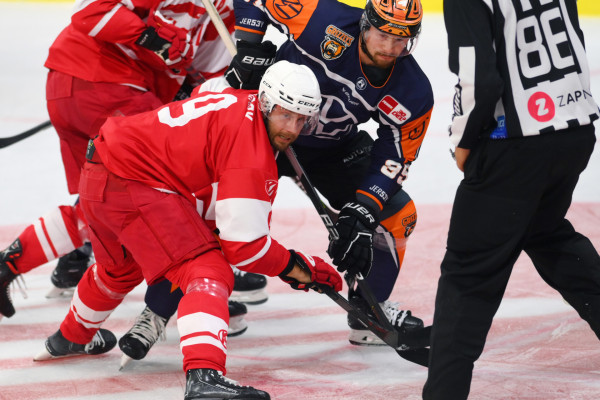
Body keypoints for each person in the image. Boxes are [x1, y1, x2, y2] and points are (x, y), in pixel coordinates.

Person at [33, 60, 342, 400]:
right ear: (267, 103)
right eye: (286, 115)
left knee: (118, 270)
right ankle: (204, 375)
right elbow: (245, 248)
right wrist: (299, 266)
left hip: (98, 174)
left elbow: (204, 91)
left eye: (302, 119)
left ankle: (70, 337)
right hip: (131, 183)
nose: (292, 129)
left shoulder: (237, 97)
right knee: (207, 270)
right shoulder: (251, 154)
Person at [0, 0, 264, 324]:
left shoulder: (222, 11)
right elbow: (91, 10)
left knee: (102, 201)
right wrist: (149, 37)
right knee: (171, 191)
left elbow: (206, 80)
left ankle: (10, 263)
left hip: (74, 86)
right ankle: (186, 288)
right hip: (108, 86)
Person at [229, 0, 434, 346]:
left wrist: (363, 209)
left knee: (400, 216)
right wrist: (249, 45)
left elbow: (396, 157)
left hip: (332, 147)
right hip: (265, 128)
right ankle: (211, 291)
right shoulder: (321, 19)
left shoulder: (412, 90)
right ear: (365, 24)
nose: (390, 48)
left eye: (402, 40)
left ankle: (368, 311)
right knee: (218, 204)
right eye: (384, 35)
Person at [422, 1, 600, 399]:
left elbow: (479, 81)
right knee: (545, 232)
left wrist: (463, 141)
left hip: (516, 148)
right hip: (574, 131)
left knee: (467, 278)